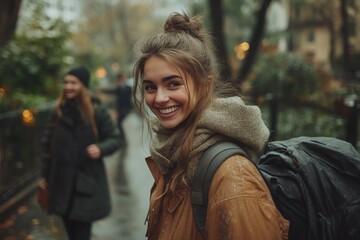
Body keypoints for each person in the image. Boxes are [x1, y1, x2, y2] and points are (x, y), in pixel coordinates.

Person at [132, 12, 289, 240]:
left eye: (173, 84)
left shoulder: (232, 176)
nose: (159, 98)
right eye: (150, 87)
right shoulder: (173, 155)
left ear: (205, 86)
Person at [39, 66, 120, 240]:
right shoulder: (58, 111)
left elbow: (115, 138)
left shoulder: (97, 111)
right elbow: (47, 147)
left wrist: (100, 148)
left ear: (83, 85)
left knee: (80, 235)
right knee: (70, 233)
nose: (68, 86)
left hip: (85, 186)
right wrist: (45, 177)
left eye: (73, 82)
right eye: (66, 82)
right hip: (60, 185)